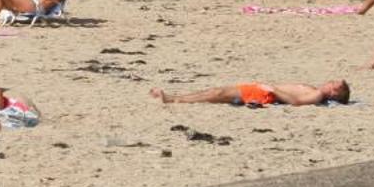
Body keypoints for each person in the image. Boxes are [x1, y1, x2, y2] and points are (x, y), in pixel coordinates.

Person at [150, 80, 352, 106]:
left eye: (334, 84)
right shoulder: (317, 91)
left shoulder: (317, 96)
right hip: (265, 91)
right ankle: (176, 98)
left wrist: (274, 89)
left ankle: (174, 98)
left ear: (334, 93)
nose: (330, 82)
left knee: (218, 92)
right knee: (217, 91)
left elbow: (296, 102)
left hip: (266, 94)